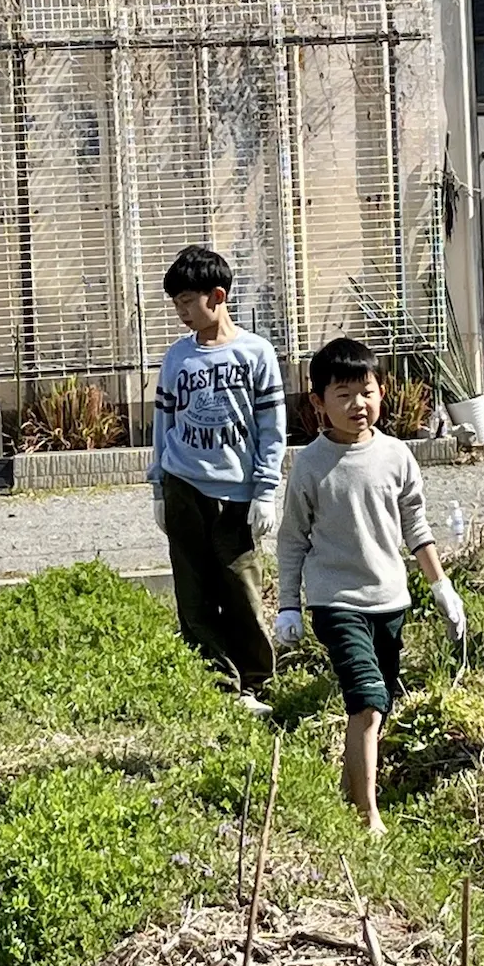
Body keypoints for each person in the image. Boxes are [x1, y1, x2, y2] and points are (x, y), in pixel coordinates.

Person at [274, 337, 466, 835]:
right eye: (344, 394)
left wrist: (441, 586)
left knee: (378, 704)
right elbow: (292, 539)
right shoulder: (310, 466)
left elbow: (416, 528)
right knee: (366, 698)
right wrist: (288, 605)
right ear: (318, 403)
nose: (359, 405)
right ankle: (368, 815)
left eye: (368, 391)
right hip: (335, 600)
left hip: (391, 598)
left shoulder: (398, 456)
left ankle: (347, 790)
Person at [149, 246, 287, 715]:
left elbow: (272, 427)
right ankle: (216, 684)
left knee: (241, 585)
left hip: (237, 494)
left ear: (218, 295)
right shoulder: (176, 359)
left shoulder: (255, 353)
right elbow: (162, 424)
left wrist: (266, 490)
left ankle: (257, 682)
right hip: (183, 486)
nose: (182, 313)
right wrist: (158, 486)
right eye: (177, 305)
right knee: (193, 591)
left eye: (188, 302)